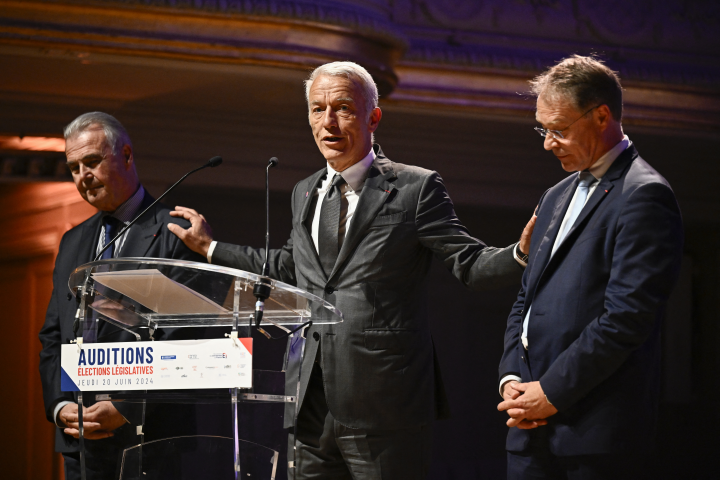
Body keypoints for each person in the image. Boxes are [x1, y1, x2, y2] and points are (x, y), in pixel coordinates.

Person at [169, 61, 535, 479]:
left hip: (385, 402)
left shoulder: (415, 188)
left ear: (373, 117)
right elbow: (291, 266)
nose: (328, 122)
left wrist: (521, 252)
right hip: (311, 400)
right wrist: (210, 247)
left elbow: (470, 264)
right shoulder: (304, 191)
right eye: (317, 109)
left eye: (342, 108)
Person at [497, 55, 684, 479]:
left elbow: (626, 319)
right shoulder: (554, 195)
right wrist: (512, 380)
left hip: (594, 435)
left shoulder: (644, 195)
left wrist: (550, 392)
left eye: (559, 130)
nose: (547, 143)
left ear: (602, 116)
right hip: (527, 428)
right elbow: (527, 298)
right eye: (543, 130)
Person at [38, 112, 205, 479]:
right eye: (74, 167)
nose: (83, 176)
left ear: (127, 156)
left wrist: (129, 405)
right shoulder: (72, 242)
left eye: (93, 162)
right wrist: (60, 404)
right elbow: (53, 336)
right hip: (80, 440)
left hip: (150, 440)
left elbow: (185, 339)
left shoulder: (175, 233)